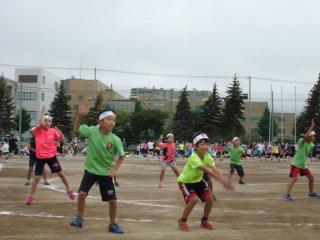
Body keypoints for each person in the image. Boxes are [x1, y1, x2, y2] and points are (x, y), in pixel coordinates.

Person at [70, 104, 125, 234]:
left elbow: (122, 156)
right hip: (90, 170)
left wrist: (114, 170)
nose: (112, 122)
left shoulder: (115, 139)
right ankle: (79, 218)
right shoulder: (92, 131)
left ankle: (112, 224)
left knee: (112, 200)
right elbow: (76, 129)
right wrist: (79, 115)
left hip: (106, 173)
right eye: (109, 119)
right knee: (82, 194)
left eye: (114, 120)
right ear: (101, 121)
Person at [177, 132, 234, 231]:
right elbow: (208, 171)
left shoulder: (207, 156)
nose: (206, 146)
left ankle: (204, 221)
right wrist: (223, 181)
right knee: (194, 200)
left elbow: (214, 169)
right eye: (202, 144)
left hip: (198, 181)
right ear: (195, 145)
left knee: (210, 198)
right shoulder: (193, 157)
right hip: (186, 182)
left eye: (207, 144)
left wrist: (223, 179)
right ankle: (182, 220)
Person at [26, 106, 75, 205]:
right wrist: (42, 114)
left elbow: (62, 140)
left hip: (52, 157)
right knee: (36, 178)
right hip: (40, 158)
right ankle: (31, 196)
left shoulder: (53, 131)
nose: (47, 123)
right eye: (46, 121)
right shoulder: (38, 130)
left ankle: (69, 190)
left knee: (60, 174)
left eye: (49, 121)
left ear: (51, 123)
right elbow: (41, 123)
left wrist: (60, 132)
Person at [281, 119, 320, 201]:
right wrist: (312, 126)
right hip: (296, 163)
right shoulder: (301, 141)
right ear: (309, 137)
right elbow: (305, 137)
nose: (314, 137)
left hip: (303, 164)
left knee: (311, 178)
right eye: (312, 136)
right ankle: (286, 195)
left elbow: (307, 153)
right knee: (294, 179)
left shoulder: (312, 145)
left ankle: (311, 193)